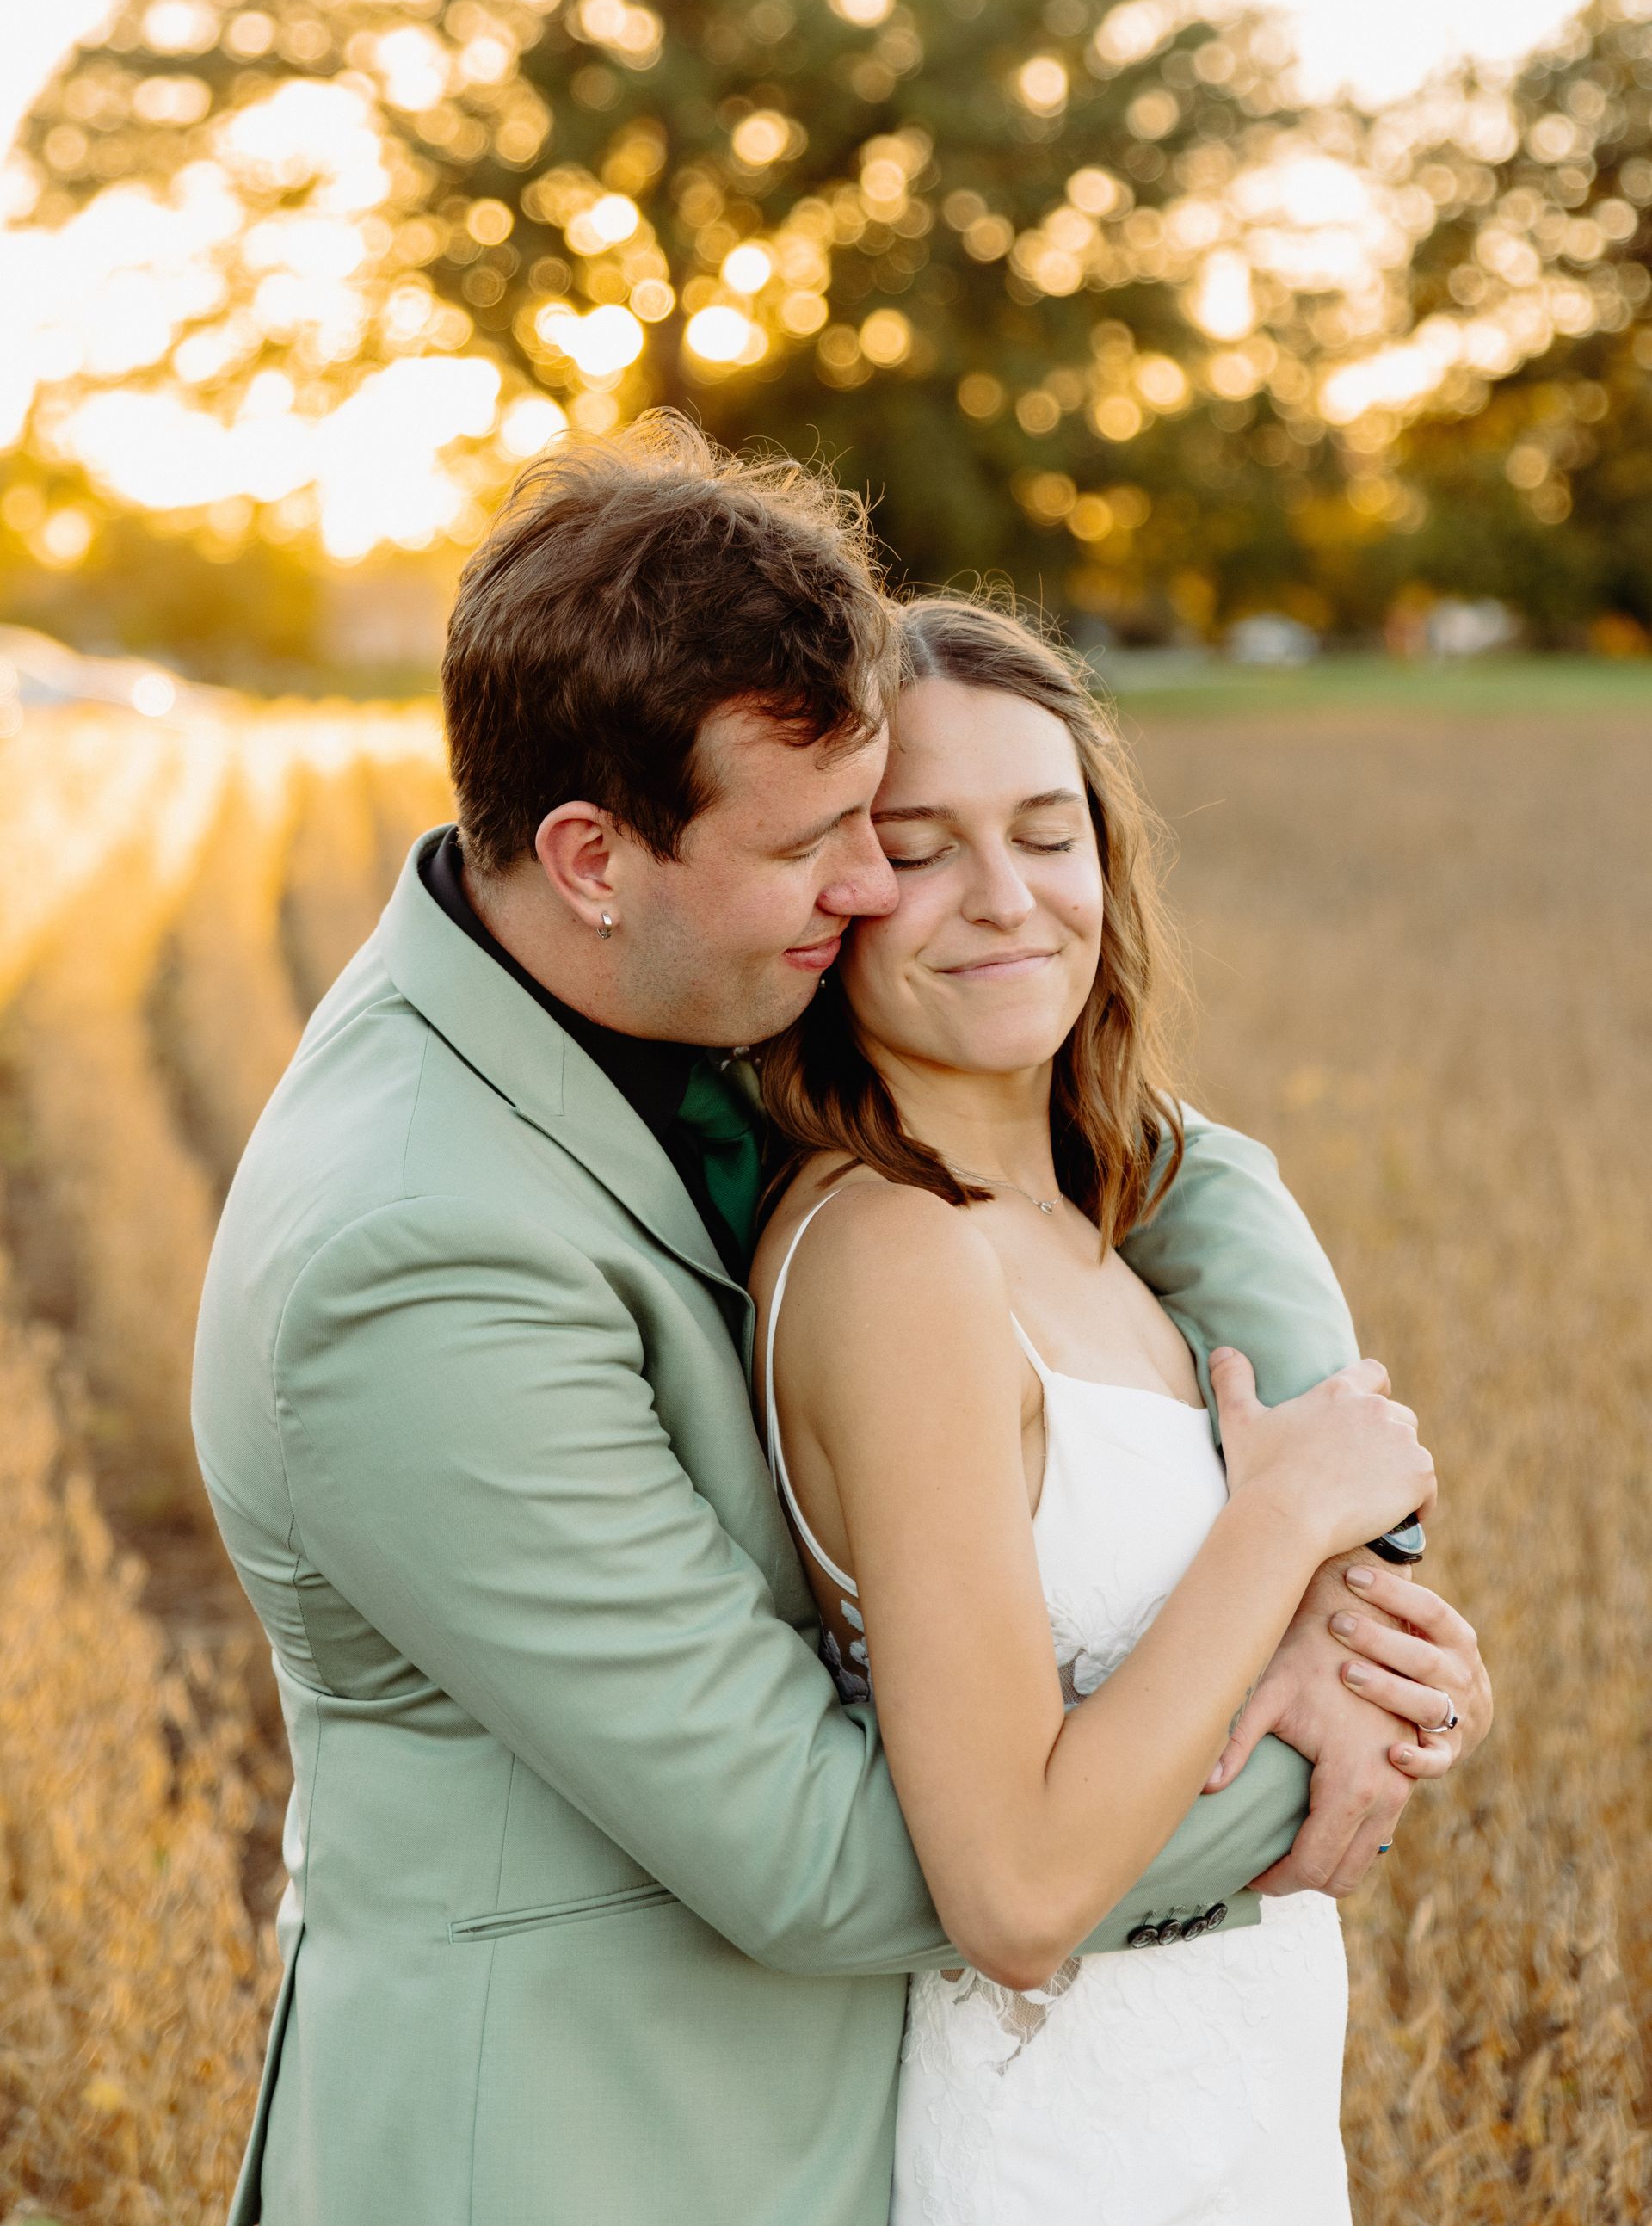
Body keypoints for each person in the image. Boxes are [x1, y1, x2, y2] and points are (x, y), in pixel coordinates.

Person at [192, 416, 1489, 2226]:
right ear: (590, 854)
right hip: (595, 2153)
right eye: (836, 842)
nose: (884, 888)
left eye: (1034, 834)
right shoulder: (416, 1259)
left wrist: (1361, 1559)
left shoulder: (635, 986)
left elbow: (1145, 1150)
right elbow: (832, 1858)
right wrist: (1313, 1751)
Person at [754, 593, 1489, 2221]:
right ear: (834, 894)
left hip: (1247, 2107)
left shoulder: (1098, 1231)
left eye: (1046, 831)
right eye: (921, 846)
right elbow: (1014, 1888)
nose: (1006, 899)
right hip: (1064, 2145)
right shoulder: (893, 1251)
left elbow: (1190, 1679)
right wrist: (1286, 1520)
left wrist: (1400, 1675)